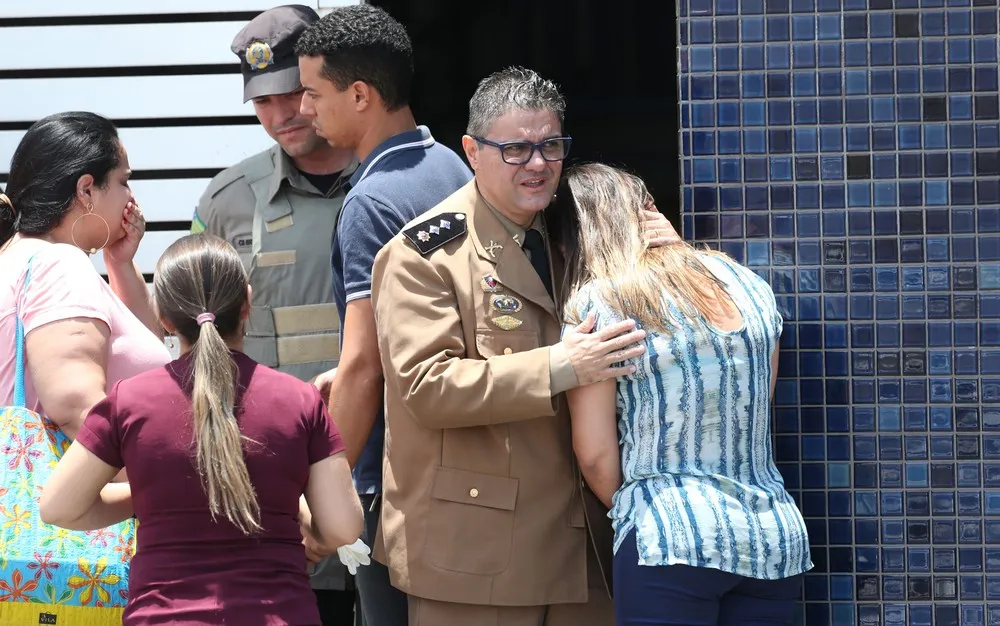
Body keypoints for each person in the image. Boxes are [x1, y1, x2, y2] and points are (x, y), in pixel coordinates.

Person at [369, 67, 679, 625]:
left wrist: (675, 257)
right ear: (472, 150)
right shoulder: (424, 255)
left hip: (581, 545)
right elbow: (427, 387)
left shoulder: (579, 237)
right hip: (476, 552)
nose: (538, 165)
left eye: (550, 145)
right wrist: (563, 365)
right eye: (516, 149)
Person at [40, 233, 365, 626]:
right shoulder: (300, 401)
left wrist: (152, 496)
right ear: (246, 303)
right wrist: (297, 514)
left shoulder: (129, 402)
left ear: (163, 318)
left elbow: (58, 507)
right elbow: (343, 527)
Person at [549, 163, 812, 626]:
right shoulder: (748, 284)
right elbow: (757, 405)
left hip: (670, 537)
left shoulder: (598, 304)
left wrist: (643, 505)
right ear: (647, 210)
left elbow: (593, 454)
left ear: (574, 238)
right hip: (773, 538)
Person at [294, 5, 473, 623]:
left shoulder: (371, 201)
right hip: (458, 465)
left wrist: (331, 494)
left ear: (361, 94)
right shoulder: (451, 165)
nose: (305, 110)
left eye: (314, 93)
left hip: (391, 482)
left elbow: (366, 363)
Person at [190, 6, 360, 620]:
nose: (280, 115)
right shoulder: (227, 201)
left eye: (293, 93)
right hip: (274, 494)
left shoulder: (396, 184)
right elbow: (188, 345)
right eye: (262, 102)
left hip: (388, 480)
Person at [0, 111, 169, 439]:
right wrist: (158, 478)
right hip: (81, 489)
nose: (131, 198)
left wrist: (120, 264)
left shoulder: (19, 258)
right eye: (123, 181)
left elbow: (149, 363)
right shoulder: (58, 265)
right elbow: (77, 408)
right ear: (87, 190)